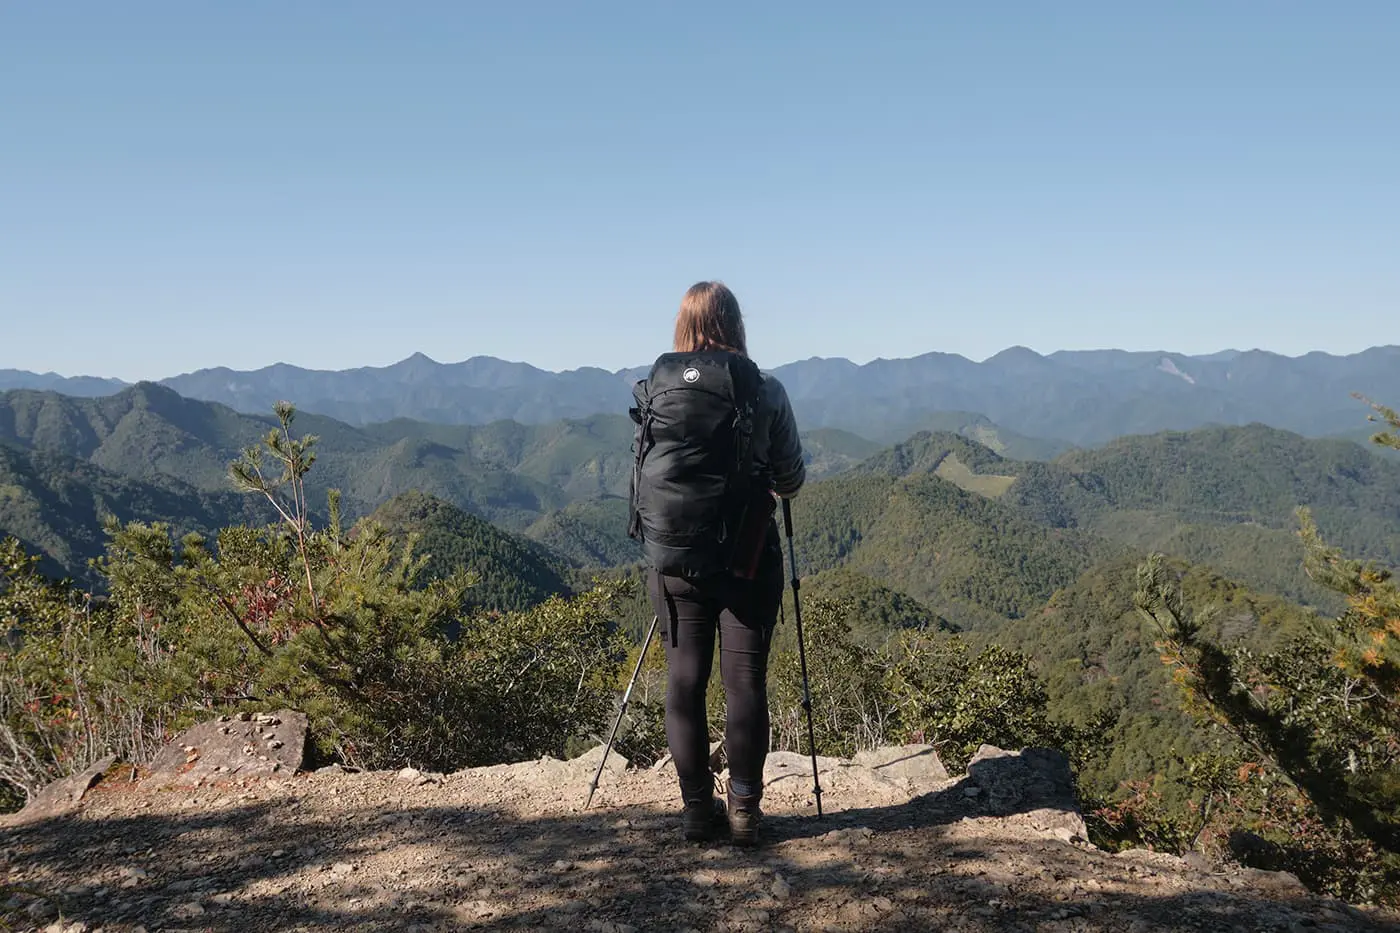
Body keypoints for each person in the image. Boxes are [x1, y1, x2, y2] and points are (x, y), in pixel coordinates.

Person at [628, 281, 805, 846]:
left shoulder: (656, 387)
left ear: (683, 326)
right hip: (746, 556)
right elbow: (791, 479)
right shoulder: (764, 389)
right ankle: (746, 813)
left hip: (674, 557)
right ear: (735, 324)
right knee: (744, 682)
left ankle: (696, 811)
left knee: (684, 680)